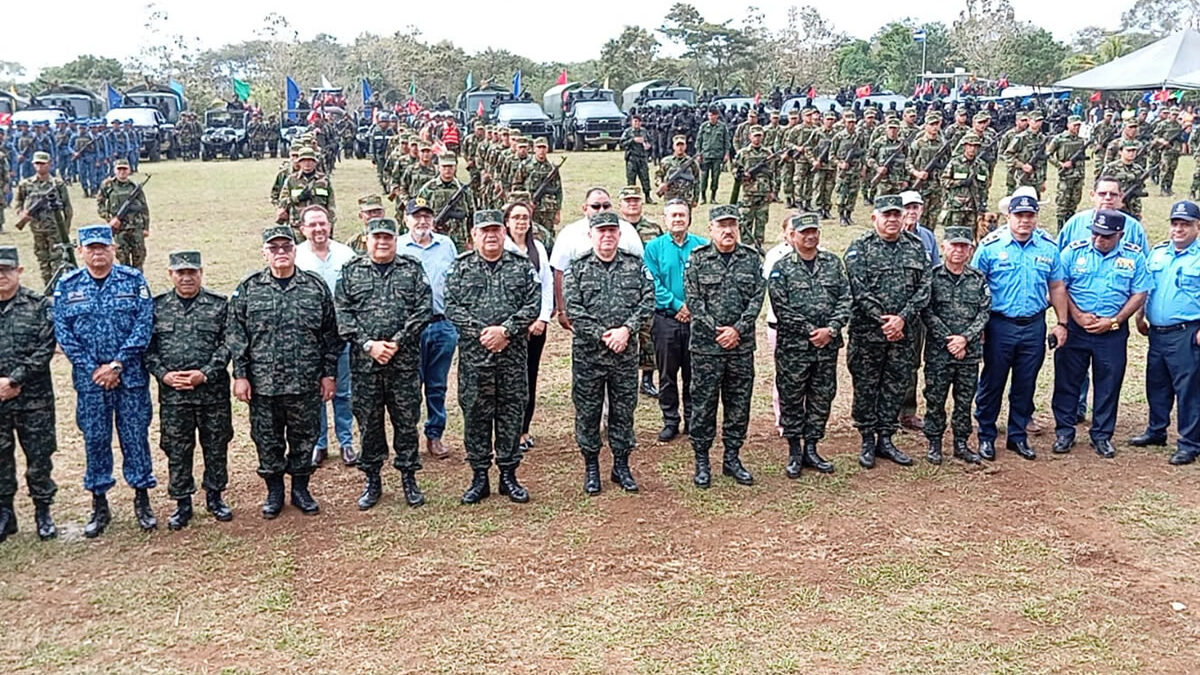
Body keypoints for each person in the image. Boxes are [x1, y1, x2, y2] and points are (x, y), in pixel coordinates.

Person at [228, 225, 340, 518]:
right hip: (264, 385)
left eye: (286, 247)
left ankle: (301, 489)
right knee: (267, 439)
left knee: (305, 438)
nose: (281, 253)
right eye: (274, 248)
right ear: (264, 252)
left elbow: (330, 334)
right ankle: (274, 491)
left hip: (305, 383)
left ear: (295, 250)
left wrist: (328, 374)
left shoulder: (314, 287)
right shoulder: (250, 288)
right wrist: (240, 375)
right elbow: (236, 335)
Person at [53, 225, 156, 537]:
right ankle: (99, 503)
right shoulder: (68, 285)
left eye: (103, 247)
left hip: (130, 377)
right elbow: (63, 333)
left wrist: (117, 364)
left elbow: (144, 324)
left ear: (113, 248)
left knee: (135, 437)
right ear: (81, 251)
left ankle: (142, 499)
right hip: (91, 381)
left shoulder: (133, 280)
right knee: (95, 439)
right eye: (91, 248)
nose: (98, 253)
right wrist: (94, 368)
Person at [335, 217, 432, 509]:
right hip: (365, 366)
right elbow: (342, 314)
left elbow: (424, 308)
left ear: (395, 240)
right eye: (376, 237)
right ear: (366, 240)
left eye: (387, 237)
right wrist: (369, 344)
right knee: (369, 424)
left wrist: (398, 341)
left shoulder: (411, 268)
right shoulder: (351, 271)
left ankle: (408, 479)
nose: (382, 242)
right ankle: (372, 480)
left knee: (406, 422)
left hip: (403, 363)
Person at [445, 210, 540, 504]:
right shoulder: (460, 268)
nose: (490, 236)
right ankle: (479, 477)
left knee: (511, 415)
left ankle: (509, 476)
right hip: (476, 360)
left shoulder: (521, 267)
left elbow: (533, 303)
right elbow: (451, 304)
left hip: (511, 359)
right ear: (474, 234)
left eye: (496, 230)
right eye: (484, 230)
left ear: (504, 233)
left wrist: (506, 331)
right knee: (475, 415)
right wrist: (483, 333)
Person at [971, 195, 1069, 461]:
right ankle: (987, 436)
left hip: (1034, 325)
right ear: (1008, 217)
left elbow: (1057, 287)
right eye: (1019, 216)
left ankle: (1017, 437)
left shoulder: (1048, 248)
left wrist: (1062, 323)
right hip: (998, 325)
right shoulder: (990, 247)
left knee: (1025, 383)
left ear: (1036, 217)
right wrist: (975, 326)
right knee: (993, 382)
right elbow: (974, 287)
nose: (1025, 221)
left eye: (1030, 216)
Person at [563, 210, 654, 493]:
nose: (607, 236)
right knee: (588, 412)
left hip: (624, 355)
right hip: (589, 356)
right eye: (601, 231)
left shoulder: (635, 266)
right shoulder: (576, 268)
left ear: (619, 235)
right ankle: (592, 466)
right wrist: (604, 336)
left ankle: (621, 465)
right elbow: (574, 310)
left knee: (623, 411)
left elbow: (647, 301)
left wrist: (626, 330)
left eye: (612, 231)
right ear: (591, 235)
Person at [144, 250, 234, 530]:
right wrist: (164, 375)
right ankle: (182, 502)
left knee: (216, 445)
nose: (186, 278)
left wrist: (204, 374)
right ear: (170, 274)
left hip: (212, 393)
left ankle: (215, 497)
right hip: (174, 396)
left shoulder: (219, 305)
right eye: (180, 273)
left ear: (201, 273)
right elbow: (148, 350)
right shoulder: (157, 307)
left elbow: (228, 344)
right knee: (177, 448)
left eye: (192, 272)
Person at [1051, 210, 1151, 459]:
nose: (1099, 239)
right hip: (1076, 328)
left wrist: (1115, 321)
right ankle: (1065, 431)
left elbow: (1139, 292)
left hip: (1113, 331)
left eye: (1106, 236)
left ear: (1120, 234)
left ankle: (1102, 435)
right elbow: (1059, 286)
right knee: (1067, 381)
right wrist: (1076, 316)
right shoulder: (1073, 252)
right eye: (1095, 233)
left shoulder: (1134, 256)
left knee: (1109, 383)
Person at [844, 195, 931, 469]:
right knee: (867, 386)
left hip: (903, 334)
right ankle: (867, 439)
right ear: (875, 218)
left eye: (897, 214)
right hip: (868, 334)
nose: (893, 219)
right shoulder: (859, 249)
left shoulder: (916, 248)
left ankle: (886, 437)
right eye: (887, 215)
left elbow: (925, 287)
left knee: (895, 385)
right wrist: (886, 321)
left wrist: (902, 320)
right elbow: (858, 291)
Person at [684, 205, 765, 488]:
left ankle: (732, 458)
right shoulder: (697, 259)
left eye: (732, 225)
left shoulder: (751, 259)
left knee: (738, 405)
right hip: (707, 348)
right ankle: (702, 461)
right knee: (704, 406)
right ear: (711, 229)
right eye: (722, 225)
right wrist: (717, 330)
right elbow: (693, 300)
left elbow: (757, 298)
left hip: (740, 347)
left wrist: (737, 330)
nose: (728, 231)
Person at [767, 213, 849, 477]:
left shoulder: (833, 264)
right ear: (793, 236)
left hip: (826, 347)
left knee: (821, 396)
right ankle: (794, 450)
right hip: (794, 348)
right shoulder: (782, 268)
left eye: (814, 231)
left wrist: (831, 329)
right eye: (804, 232)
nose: (810, 236)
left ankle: (812, 448)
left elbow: (846, 299)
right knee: (792, 397)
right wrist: (812, 330)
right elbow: (781, 307)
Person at [1133, 200, 1200, 464]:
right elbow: (1147, 287)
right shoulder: (1158, 253)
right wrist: (1139, 316)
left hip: (1187, 332)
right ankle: (1156, 430)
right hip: (1157, 332)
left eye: (1186, 224)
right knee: (1157, 384)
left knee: (1188, 389)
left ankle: (1189, 442)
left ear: (1197, 226)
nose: (1179, 229)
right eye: (1175, 224)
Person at [0, 246, 58, 542]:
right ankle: (5, 513)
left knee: (39, 456)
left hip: (33, 397)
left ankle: (43, 510)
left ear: (19, 271)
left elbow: (46, 347)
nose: (2, 276)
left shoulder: (38, 305)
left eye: (7, 270)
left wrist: (15, 379)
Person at [295, 205, 358, 467]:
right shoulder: (296, 256)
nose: (318, 229)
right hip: (309, 339)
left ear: (330, 224)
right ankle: (319, 444)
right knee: (314, 392)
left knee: (344, 391)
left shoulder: (346, 254)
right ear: (302, 229)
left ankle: (346, 442)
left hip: (341, 335)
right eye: (312, 225)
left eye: (322, 223)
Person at [921, 227, 991, 464]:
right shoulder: (931, 277)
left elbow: (984, 312)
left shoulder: (978, 278)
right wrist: (949, 339)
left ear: (971, 250)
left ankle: (961, 442)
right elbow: (927, 312)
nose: (959, 251)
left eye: (964, 246)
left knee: (964, 399)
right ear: (943, 248)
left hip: (968, 353)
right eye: (954, 245)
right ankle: (934, 442)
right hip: (939, 352)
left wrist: (965, 339)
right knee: (935, 398)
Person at [401, 197, 460, 461]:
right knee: (409, 386)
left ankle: (434, 435)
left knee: (437, 385)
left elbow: (457, 282)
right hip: (410, 329)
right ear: (406, 219)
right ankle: (408, 436)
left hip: (441, 325)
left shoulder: (446, 245)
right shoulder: (399, 246)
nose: (422, 221)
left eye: (427, 216)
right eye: (417, 216)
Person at [644, 200, 706, 442]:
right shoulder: (653, 247)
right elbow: (652, 282)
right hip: (666, 320)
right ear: (665, 219)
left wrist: (692, 307)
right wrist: (677, 305)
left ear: (689, 218)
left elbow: (707, 281)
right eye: (673, 216)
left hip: (696, 321)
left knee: (694, 373)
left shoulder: (702, 246)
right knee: (668, 374)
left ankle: (692, 420)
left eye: (682, 215)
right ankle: (670, 420)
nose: (678, 219)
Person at [549, 188, 644, 331]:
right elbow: (559, 273)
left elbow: (640, 270)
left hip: (625, 319)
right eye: (595, 206)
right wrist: (562, 310)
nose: (601, 210)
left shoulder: (628, 230)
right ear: (584, 208)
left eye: (606, 206)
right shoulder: (569, 233)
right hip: (585, 317)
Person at [503, 200, 553, 453]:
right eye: (516, 217)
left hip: (534, 328)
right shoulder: (501, 246)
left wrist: (543, 318)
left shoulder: (538, 248)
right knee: (507, 381)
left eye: (525, 217)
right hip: (508, 330)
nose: (521, 222)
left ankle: (524, 429)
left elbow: (546, 283)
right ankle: (506, 431)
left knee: (528, 377)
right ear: (507, 221)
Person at [897, 191, 941, 431]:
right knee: (891, 362)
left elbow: (935, 272)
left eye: (916, 207)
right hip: (894, 312)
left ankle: (907, 412)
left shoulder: (927, 237)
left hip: (919, 310)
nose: (911, 212)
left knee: (913, 361)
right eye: (907, 207)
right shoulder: (891, 236)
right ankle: (886, 411)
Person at [618, 186, 662, 398]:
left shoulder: (653, 229)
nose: (632, 204)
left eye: (636, 200)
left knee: (649, 334)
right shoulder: (614, 228)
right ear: (621, 205)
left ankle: (647, 379)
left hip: (647, 287)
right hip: (622, 289)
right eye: (628, 201)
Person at [13, 152, 73, 286]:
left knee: (57, 258)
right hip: (36, 229)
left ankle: (57, 285)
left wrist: (66, 228)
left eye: (42, 163)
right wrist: (21, 214)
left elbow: (67, 208)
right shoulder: (26, 184)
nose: (39, 167)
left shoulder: (57, 184)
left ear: (49, 164)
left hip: (55, 228)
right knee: (42, 258)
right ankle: (47, 285)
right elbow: (18, 201)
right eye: (37, 164)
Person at [696, 107, 731, 204]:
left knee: (715, 177)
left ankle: (713, 197)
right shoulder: (703, 126)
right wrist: (698, 153)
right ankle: (703, 197)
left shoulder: (722, 127)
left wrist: (726, 154)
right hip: (705, 155)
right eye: (709, 115)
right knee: (703, 177)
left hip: (717, 156)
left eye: (713, 115)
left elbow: (726, 142)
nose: (711, 117)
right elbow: (699, 141)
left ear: (717, 116)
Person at [620, 115, 655, 202]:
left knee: (645, 177)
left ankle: (647, 196)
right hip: (632, 157)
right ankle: (631, 197)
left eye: (638, 122)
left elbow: (650, 141)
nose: (637, 123)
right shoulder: (628, 132)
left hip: (642, 157)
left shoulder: (644, 131)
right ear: (632, 122)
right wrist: (633, 140)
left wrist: (648, 146)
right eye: (635, 121)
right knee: (631, 178)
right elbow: (622, 144)